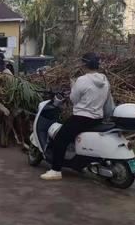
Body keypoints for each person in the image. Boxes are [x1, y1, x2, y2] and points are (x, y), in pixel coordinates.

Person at [41, 53, 115, 181]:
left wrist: (73, 85)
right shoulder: (104, 79)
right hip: (97, 118)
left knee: (60, 138)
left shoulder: (82, 80)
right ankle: (78, 164)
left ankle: (56, 170)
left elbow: (74, 99)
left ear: (84, 64)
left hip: (82, 118)